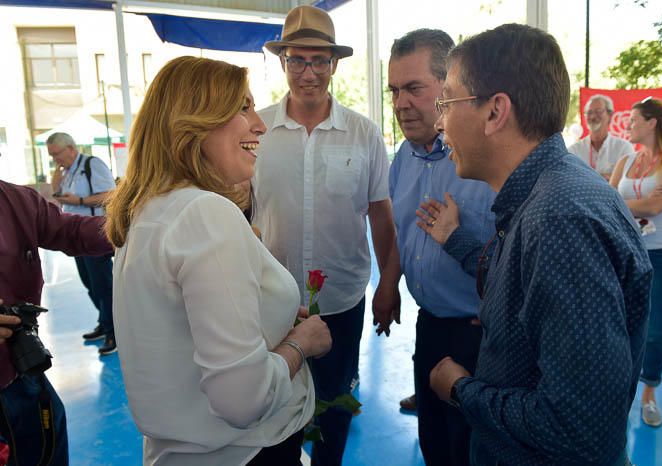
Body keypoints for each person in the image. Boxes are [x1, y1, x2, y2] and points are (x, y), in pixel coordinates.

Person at [424, 24, 652, 466]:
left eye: (446, 103)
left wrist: (460, 388)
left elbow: (580, 431)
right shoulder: (546, 196)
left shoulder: (559, 220)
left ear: (495, 112)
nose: (438, 122)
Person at [104, 56, 332, 466]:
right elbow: (243, 400)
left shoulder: (147, 212)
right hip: (245, 454)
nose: (258, 124)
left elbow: (178, 331)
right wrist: (302, 342)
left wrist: (272, 316)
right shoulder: (204, 213)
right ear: (195, 122)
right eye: (242, 107)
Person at [254, 5, 399, 465]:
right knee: (275, 406)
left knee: (336, 404)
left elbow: (381, 215)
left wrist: (389, 285)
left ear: (334, 64)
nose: (308, 72)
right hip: (271, 304)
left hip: (341, 301)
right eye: (297, 59)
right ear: (283, 63)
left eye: (319, 61)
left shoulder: (364, 133)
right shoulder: (255, 131)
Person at [384, 28, 495, 465]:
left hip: (479, 335)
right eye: (394, 90)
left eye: (413, 88)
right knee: (434, 441)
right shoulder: (403, 157)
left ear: (447, 87)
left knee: (470, 449)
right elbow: (399, 230)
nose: (400, 103)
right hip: (428, 326)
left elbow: (515, 262)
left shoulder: (485, 159)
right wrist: (389, 284)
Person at [0, 174, 113, 466]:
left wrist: (137, 222)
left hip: (22, 368)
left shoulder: (17, 200)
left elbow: (71, 230)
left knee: (46, 443)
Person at [609, 98, 662, 427]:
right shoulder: (626, 160)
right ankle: (621, 390)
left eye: (633, 120)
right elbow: (612, 200)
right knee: (620, 328)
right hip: (627, 255)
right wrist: (638, 202)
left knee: (653, 330)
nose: (627, 125)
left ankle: (649, 395)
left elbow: (655, 207)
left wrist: (625, 203)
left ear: (652, 123)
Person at [48, 132, 117, 355]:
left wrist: (79, 201)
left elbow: (110, 194)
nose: (55, 159)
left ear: (70, 148)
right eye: (51, 155)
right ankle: (103, 321)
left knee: (103, 284)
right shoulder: (67, 171)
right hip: (75, 237)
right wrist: (56, 183)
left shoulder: (91, 165)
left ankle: (114, 332)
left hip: (94, 234)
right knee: (89, 282)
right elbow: (59, 195)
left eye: (57, 153)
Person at [568, 94, 635, 179]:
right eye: (589, 112)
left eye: (598, 111)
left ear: (610, 115)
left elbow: (627, 181)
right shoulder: (574, 151)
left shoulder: (623, 148)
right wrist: (608, 177)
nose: (593, 116)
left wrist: (586, 178)